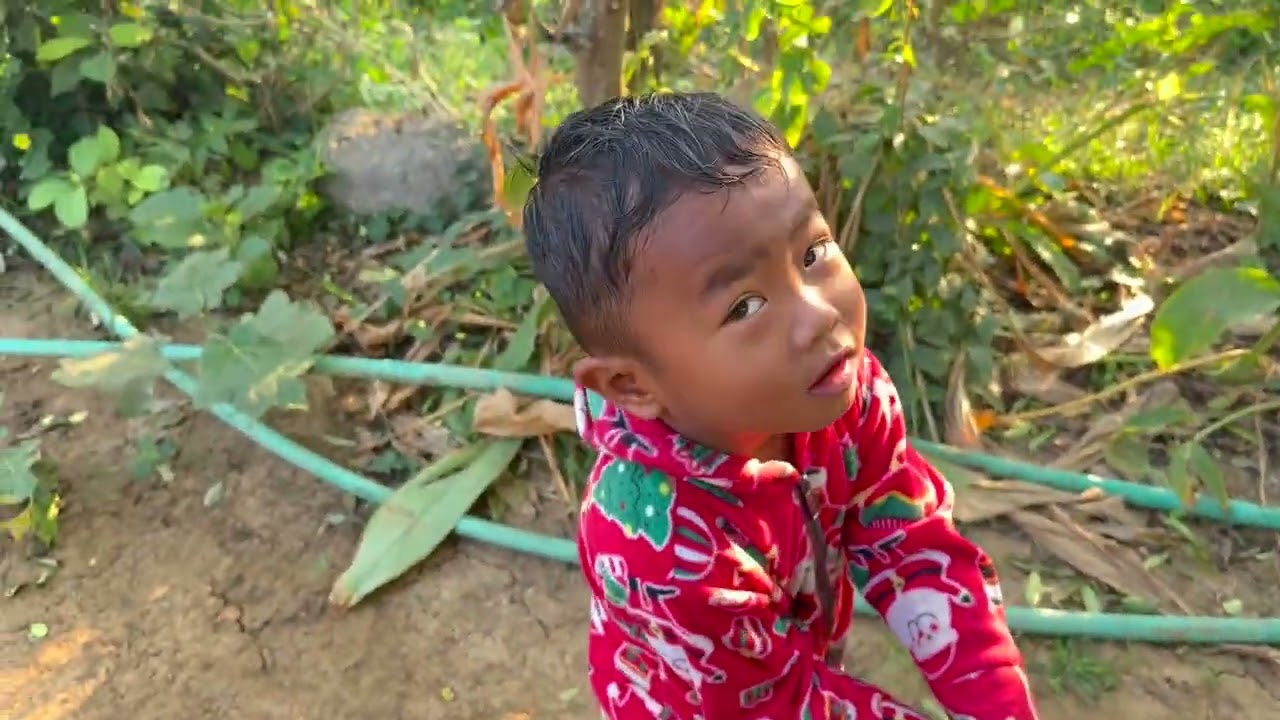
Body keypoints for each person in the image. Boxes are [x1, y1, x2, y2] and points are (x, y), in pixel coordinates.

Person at [522, 91, 1039, 720]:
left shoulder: (844, 397)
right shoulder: (654, 547)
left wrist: (996, 702)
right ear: (632, 386)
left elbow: (908, 538)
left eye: (813, 254)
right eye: (744, 306)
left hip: (792, 657)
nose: (819, 317)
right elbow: (784, 706)